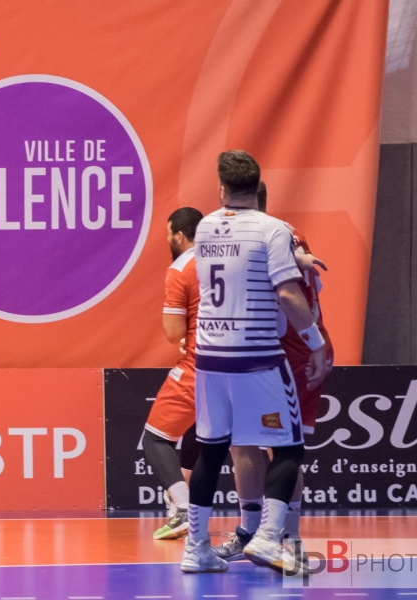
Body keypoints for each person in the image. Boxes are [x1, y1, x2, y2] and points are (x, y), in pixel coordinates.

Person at [180, 151, 327, 574]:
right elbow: (285, 294)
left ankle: (196, 549)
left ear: (221, 188)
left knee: (212, 451)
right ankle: (266, 537)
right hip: (257, 356)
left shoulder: (205, 227)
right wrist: (314, 342)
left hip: (210, 358)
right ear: (260, 188)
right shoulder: (273, 229)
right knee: (288, 448)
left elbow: (236, 259)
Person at [213, 181, 333, 568]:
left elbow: (289, 297)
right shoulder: (272, 237)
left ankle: (289, 537)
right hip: (254, 354)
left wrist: (316, 345)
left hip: (292, 354)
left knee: (283, 448)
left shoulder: (275, 234)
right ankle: (250, 530)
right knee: (241, 443)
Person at [144, 207, 204, 540]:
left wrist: (185, 335)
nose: (168, 239)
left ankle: (182, 506)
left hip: (200, 366)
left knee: (154, 438)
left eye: (168, 233)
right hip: (244, 365)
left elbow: (171, 331)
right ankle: (265, 523)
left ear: (179, 236)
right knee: (239, 445)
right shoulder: (228, 257)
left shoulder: (181, 268)